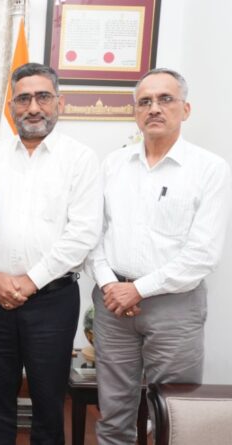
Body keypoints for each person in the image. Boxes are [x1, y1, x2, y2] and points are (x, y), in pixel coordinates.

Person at [85, 68, 232, 444]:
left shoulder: (210, 169)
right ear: (135, 112)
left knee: (176, 413)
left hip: (174, 307)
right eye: (145, 101)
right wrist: (110, 286)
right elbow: (93, 235)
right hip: (113, 306)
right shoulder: (113, 164)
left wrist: (138, 289)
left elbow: (202, 254)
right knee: (113, 415)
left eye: (165, 99)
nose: (154, 108)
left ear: (186, 109)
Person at [0, 62, 102, 444]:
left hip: (52, 300)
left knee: (48, 402)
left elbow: (83, 233)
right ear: (11, 106)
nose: (33, 107)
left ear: (59, 102)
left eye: (42, 97)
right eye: (23, 98)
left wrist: (30, 281)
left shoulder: (80, 159)